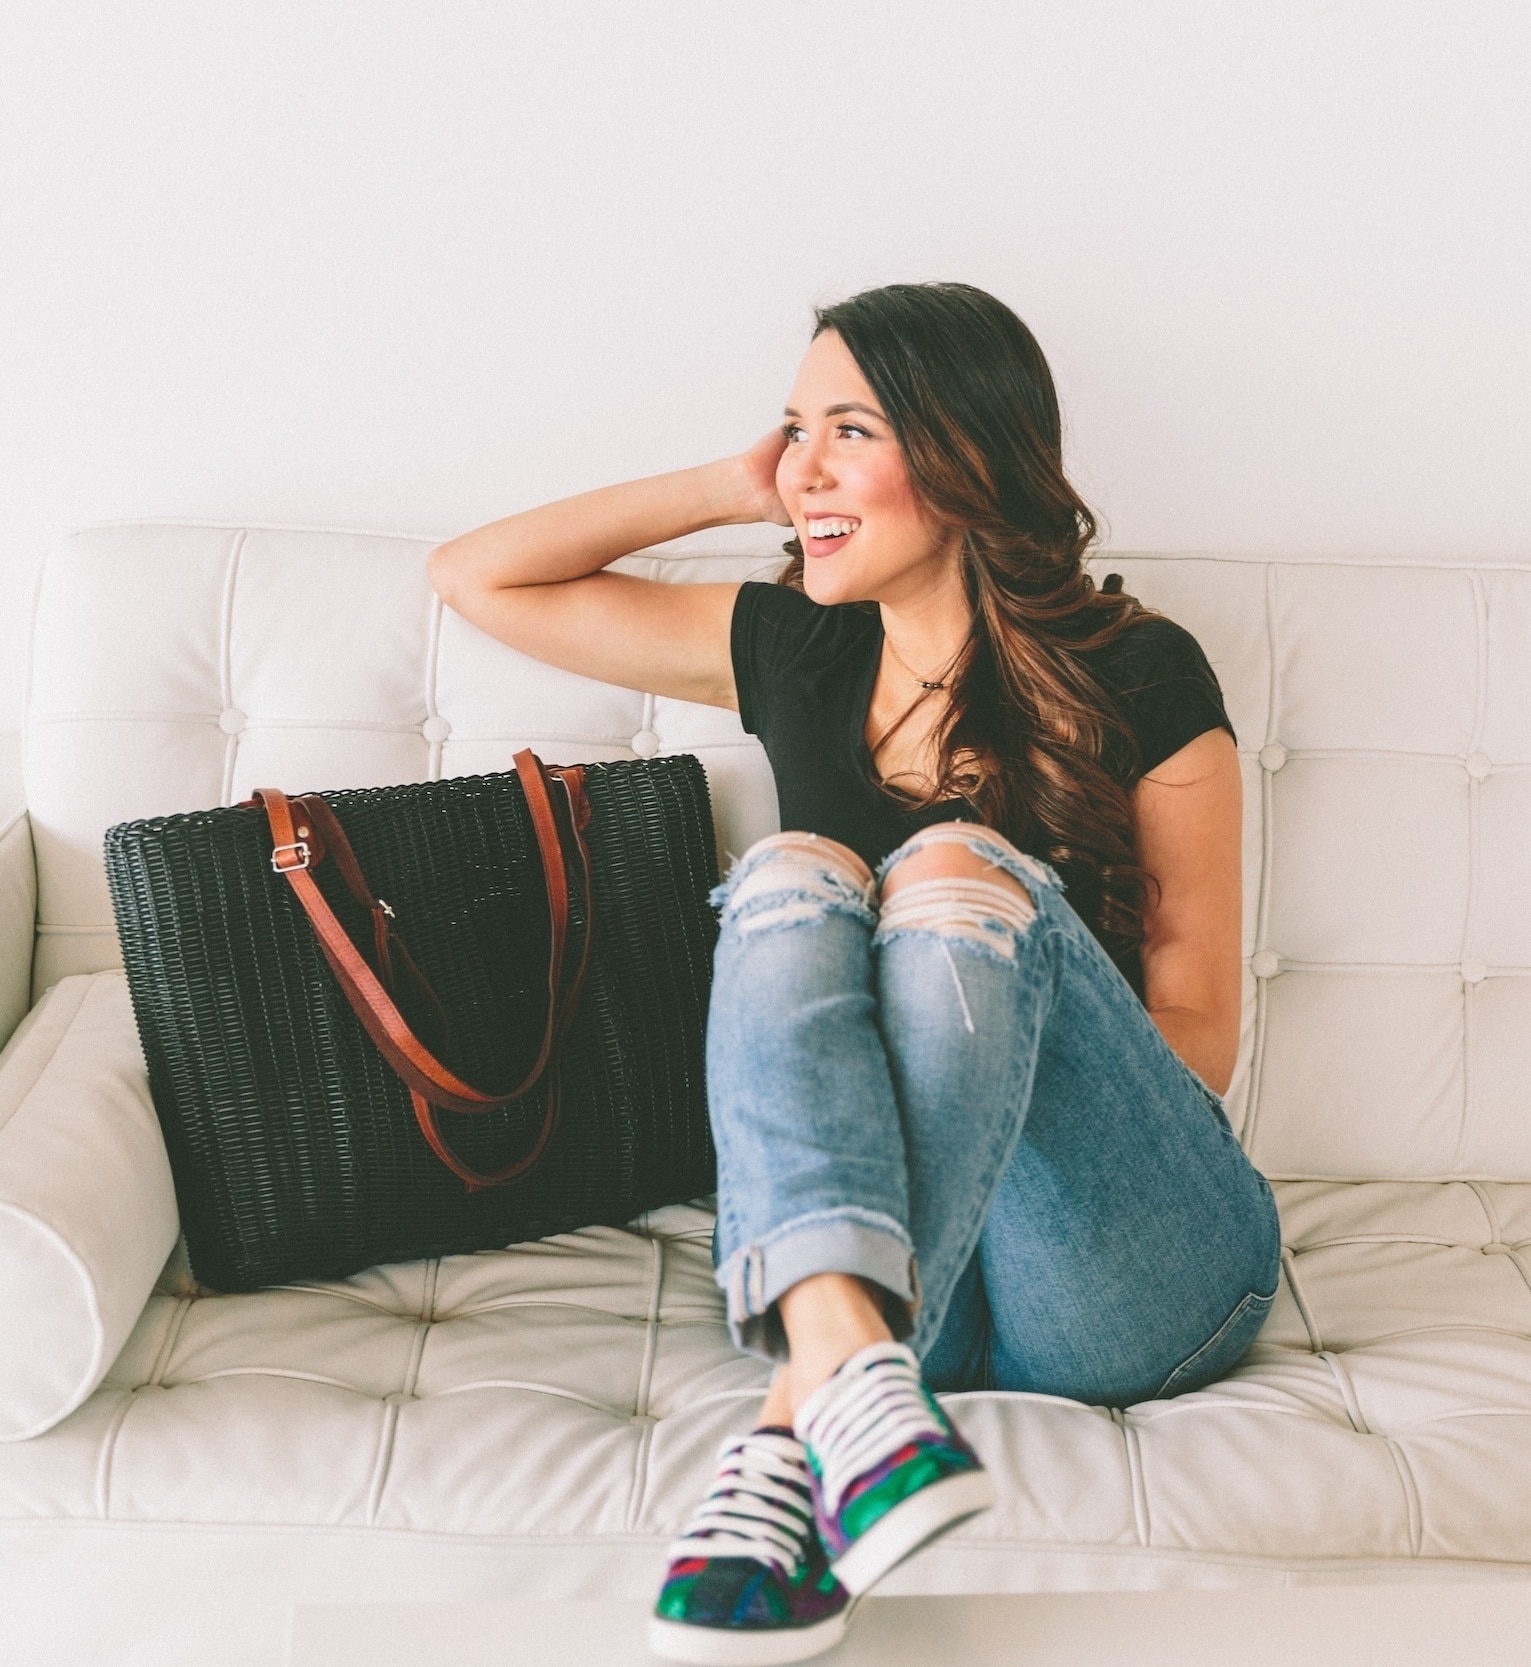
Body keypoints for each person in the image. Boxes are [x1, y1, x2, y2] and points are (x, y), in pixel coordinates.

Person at [427, 282, 1281, 1665]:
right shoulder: (794, 649)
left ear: (960, 458)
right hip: (895, 1295)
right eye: (790, 430)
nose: (801, 471)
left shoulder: (1144, 673)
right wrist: (732, 481)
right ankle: (862, 1394)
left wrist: (1007, 988)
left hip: (1128, 1269)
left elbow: (1201, 1035)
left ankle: (790, 1434)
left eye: (847, 432)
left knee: (948, 868)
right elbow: (476, 578)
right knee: (788, 873)